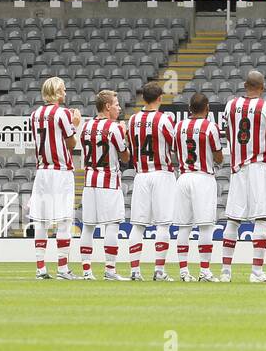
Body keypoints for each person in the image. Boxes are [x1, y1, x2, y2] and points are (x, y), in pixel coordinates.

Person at [220, 71, 266, 283]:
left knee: (233, 218)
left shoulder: (230, 105)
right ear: (263, 87)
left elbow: (229, 134)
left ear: (245, 85)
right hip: (259, 166)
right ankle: (256, 272)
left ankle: (225, 272)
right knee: (261, 218)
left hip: (238, 167)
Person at [28, 77, 82, 278]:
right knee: (64, 220)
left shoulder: (34, 114)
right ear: (57, 92)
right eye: (63, 90)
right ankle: (62, 268)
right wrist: (75, 125)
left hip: (42, 171)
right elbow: (71, 144)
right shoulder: (62, 113)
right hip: (61, 171)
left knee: (41, 221)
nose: (65, 93)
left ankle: (40, 268)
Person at [127, 81, 179, 281]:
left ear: (143, 98)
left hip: (141, 174)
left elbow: (131, 145)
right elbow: (174, 146)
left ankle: (134, 271)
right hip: (161, 173)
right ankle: (159, 270)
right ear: (160, 98)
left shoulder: (133, 120)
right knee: (163, 224)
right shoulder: (164, 120)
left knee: (138, 224)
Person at [77, 89, 130, 280]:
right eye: (116, 105)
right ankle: (110, 270)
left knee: (88, 226)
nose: (119, 108)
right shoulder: (114, 128)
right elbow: (125, 157)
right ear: (107, 107)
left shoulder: (85, 126)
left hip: (89, 181)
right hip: (108, 181)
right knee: (112, 225)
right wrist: (124, 134)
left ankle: (86, 271)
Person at [172, 92, 224, 282]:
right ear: (207, 108)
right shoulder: (210, 127)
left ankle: (184, 271)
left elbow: (175, 153)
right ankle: (205, 271)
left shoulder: (179, 126)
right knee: (205, 226)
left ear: (189, 108)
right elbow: (219, 157)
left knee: (184, 226)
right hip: (203, 177)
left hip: (184, 176)